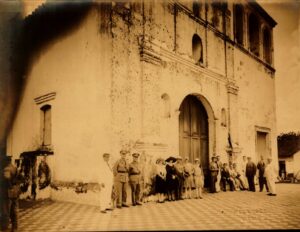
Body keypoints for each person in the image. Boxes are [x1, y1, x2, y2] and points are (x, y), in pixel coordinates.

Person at [2, 155, 22, 232]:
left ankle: (5, 227)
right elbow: (21, 178)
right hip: (15, 192)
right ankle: (15, 227)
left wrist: (10, 186)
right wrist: (16, 185)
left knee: (6, 210)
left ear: (6, 161)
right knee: (15, 209)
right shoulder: (15, 168)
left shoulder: (6, 169)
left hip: (8, 193)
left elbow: (6, 180)